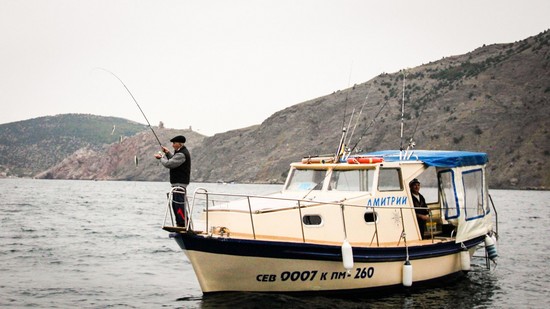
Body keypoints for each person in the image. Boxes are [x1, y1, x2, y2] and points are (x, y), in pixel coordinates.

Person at [155, 135, 191, 227]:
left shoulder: (181, 154)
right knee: (176, 204)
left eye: (174, 143)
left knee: (178, 205)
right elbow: (173, 159)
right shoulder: (180, 153)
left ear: (179, 144)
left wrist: (160, 158)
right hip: (178, 184)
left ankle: (182, 224)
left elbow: (169, 164)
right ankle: (182, 223)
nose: (172, 145)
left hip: (179, 184)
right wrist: (167, 153)